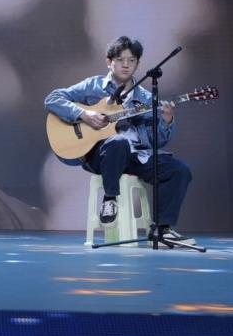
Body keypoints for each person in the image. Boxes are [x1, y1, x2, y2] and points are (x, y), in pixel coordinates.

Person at [44, 36, 194, 244]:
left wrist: (167, 120)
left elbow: (156, 141)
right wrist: (84, 114)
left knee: (179, 170)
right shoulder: (94, 86)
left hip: (135, 157)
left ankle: (162, 229)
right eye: (120, 60)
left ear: (137, 64)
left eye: (131, 60)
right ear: (109, 62)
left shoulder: (145, 99)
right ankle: (110, 198)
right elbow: (52, 99)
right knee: (118, 142)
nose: (126, 65)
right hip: (101, 155)